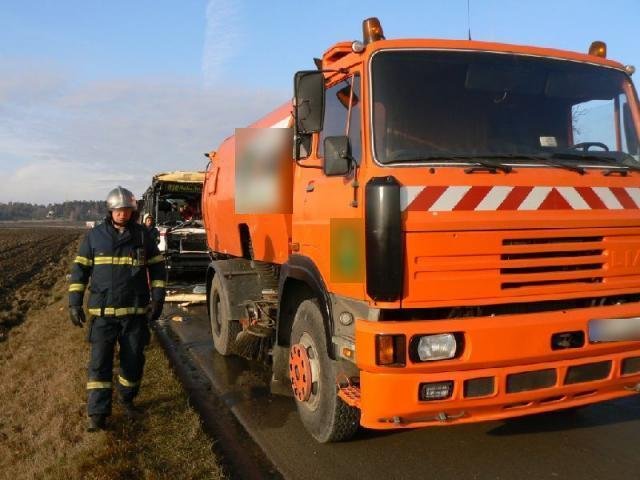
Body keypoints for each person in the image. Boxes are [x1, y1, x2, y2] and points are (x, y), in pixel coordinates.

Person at [68, 186, 166, 432]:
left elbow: (156, 269)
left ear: (133, 211)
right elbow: (80, 270)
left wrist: (158, 298)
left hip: (134, 314)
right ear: (110, 210)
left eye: (127, 210)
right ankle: (97, 413)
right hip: (103, 316)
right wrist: (74, 302)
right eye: (118, 210)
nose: (123, 214)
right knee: (99, 364)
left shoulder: (143, 236)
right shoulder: (95, 237)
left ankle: (127, 399)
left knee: (133, 362)